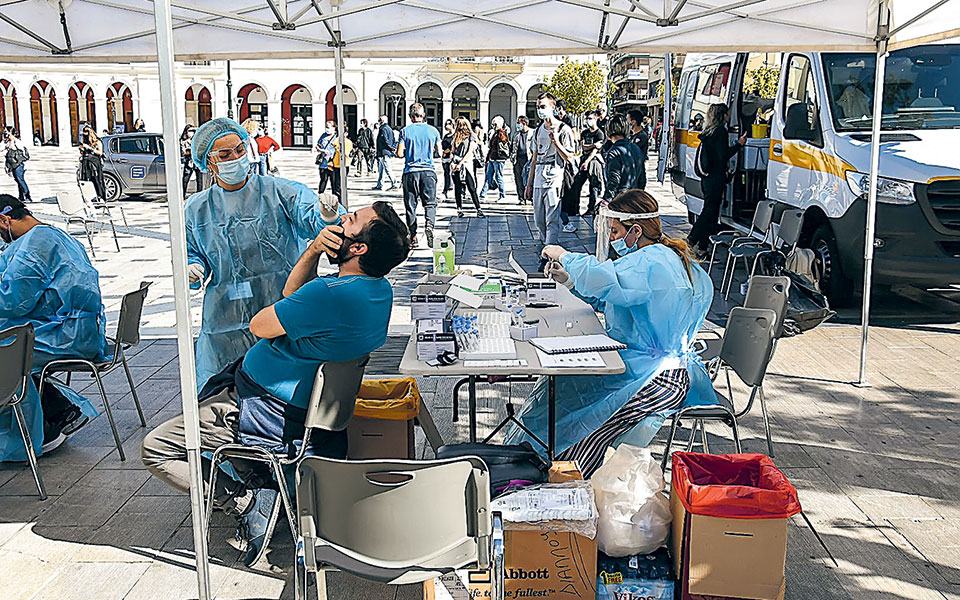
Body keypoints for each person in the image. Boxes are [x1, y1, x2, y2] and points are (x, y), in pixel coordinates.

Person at [142, 201, 411, 566]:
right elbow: (292, 295)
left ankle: (245, 500)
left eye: (351, 220)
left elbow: (260, 325)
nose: (341, 218)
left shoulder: (329, 295)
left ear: (358, 247)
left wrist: (315, 254)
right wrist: (314, 249)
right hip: (303, 406)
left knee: (157, 448)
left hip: (264, 406)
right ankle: (268, 489)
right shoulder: (376, 290)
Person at [506, 191, 713, 477]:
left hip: (657, 377)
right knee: (558, 392)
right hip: (636, 366)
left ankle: (566, 482)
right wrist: (570, 282)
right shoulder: (653, 257)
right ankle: (530, 464)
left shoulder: (654, 262)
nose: (612, 237)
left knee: (590, 427)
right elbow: (615, 296)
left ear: (636, 230)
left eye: (615, 231)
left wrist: (565, 257)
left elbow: (607, 277)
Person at [185, 118, 343, 391]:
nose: (234, 158)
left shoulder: (278, 191)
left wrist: (326, 215)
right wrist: (192, 267)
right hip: (225, 315)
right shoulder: (197, 208)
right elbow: (192, 250)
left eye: (239, 149)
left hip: (280, 303)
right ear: (208, 163)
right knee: (222, 386)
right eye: (224, 155)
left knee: (282, 382)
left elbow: (310, 217)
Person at [0, 195, 106, 461]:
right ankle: (60, 410)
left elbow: (14, 301)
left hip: (68, 334)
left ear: (4, 220)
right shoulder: (54, 234)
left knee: (8, 355)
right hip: (78, 328)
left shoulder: (37, 243)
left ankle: (42, 427)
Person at [687, 103, 746, 256]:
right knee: (709, 212)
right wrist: (738, 145)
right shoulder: (720, 132)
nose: (729, 116)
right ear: (723, 115)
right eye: (727, 113)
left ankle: (702, 248)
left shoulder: (709, 131)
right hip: (715, 178)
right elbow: (722, 156)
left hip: (707, 178)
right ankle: (690, 241)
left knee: (710, 213)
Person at [525, 92, 575, 268]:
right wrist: (529, 183)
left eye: (543, 106)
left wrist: (556, 142)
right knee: (539, 220)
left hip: (554, 177)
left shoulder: (563, 129)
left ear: (553, 107)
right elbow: (534, 158)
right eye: (538, 107)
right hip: (539, 176)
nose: (540, 110)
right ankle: (546, 247)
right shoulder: (538, 130)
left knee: (551, 219)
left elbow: (570, 157)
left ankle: (547, 255)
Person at [397, 103, 442, 247]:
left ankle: (413, 236)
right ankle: (429, 225)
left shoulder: (405, 131)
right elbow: (440, 153)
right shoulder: (433, 131)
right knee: (430, 203)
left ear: (411, 116)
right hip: (428, 171)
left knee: (411, 206)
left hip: (410, 172)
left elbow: (399, 153)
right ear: (424, 116)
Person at [567, 110, 605, 219]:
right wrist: (593, 145)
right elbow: (583, 147)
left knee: (594, 186)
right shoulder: (584, 133)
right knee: (576, 184)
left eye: (591, 118)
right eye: (587, 118)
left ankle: (591, 208)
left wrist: (587, 161)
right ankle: (575, 208)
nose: (589, 121)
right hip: (583, 158)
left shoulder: (600, 133)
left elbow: (596, 150)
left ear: (596, 119)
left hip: (594, 161)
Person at [602, 114, 644, 205]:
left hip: (620, 201)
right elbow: (642, 178)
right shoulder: (636, 149)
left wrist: (606, 200)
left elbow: (614, 181)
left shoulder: (614, 152)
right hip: (634, 198)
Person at [450, 117, 484, 219]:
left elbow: (470, 151)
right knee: (457, 187)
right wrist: (452, 162)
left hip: (467, 163)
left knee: (471, 186)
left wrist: (461, 162)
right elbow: (452, 151)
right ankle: (459, 208)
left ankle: (478, 208)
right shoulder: (455, 136)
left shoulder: (471, 136)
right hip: (456, 162)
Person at [479, 116, 509, 202]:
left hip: (499, 158)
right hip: (492, 157)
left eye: (494, 124)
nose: (493, 125)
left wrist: (500, 130)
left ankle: (502, 195)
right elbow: (491, 146)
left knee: (498, 177)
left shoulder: (502, 133)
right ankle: (482, 195)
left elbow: (503, 140)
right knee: (488, 176)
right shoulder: (494, 133)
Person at [79, 126, 107, 201]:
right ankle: (88, 197)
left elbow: (100, 153)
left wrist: (90, 148)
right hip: (86, 162)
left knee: (96, 179)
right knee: (86, 180)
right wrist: (82, 150)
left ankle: (99, 196)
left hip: (94, 163)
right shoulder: (85, 141)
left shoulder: (97, 142)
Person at [3, 129, 31, 203]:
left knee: (20, 180)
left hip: (19, 164)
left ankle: (27, 196)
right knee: (18, 180)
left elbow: (18, 150)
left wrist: (12, 141)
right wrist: (4, 141)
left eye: (7, 132)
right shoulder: (7, 141)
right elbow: (1, 149)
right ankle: (21, 196)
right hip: (12, 164)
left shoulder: (17, 141)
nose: (6, 133)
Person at [511, 116, 534, 204]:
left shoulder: (532, 133)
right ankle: (521, 198)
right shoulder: (516, 134)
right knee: (518, 179)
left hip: (529, 159)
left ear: (524, 123)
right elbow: (512, 147)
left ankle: (530, 197)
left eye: (519, 123)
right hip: (518, 159)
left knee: (529, 178)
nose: (517, 125)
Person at [328, 124, 353, 200]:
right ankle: (338, 199)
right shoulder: (336, 140)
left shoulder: (348, 142)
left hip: (344, 165)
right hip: (336, 164)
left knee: (340, 185)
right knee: (335, 185)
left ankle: (341, 200)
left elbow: (345, 152)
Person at [373, 115, 398, 191]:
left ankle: (394, 183)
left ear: (382, 121)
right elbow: (393, 139)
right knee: (381, 169)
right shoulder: (389, 129)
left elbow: (385, 140)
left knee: (387, 168)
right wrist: (393, 147)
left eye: (379, 120)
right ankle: (380, 184)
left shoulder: (383, 129)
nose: (379, 122)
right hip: (384, 152)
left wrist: (391, 148)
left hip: (384, 152)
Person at [627, 109, 650, 191]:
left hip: (637, 172)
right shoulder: (631, 136)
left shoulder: (642, 136)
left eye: (628, 120)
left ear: (633, 122)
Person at [315, 120, 337, 194]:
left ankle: (335, 199)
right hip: (323, 162)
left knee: (334, 182)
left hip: (332, 163)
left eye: (328, 127)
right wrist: (319, 149)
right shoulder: (323, 136)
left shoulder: (336, 137)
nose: (327, 129)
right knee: (323, 180)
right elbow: (318, 144)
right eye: (326, 127)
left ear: (334, 128)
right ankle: (320, 196)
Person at [180, 125, 202, 196]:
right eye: (189, 131)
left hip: (196, 160)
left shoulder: (196, 139)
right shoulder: (184, 140)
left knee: (199, 179)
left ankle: (199, 194)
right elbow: (184, 151)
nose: (191, 133)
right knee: (185, 179)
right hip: (189, 160)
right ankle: (182, 195)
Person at [440, 119, 455, 199]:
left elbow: (453, 146)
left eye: (448, 124)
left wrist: (448, 151)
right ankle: (446, 189)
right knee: (446, 174)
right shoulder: (446, 136)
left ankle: (451, 189)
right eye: (446, 124)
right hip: (445, 157)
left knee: (451, 174)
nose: (446, 126)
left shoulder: (455, 135)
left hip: (451, 157)